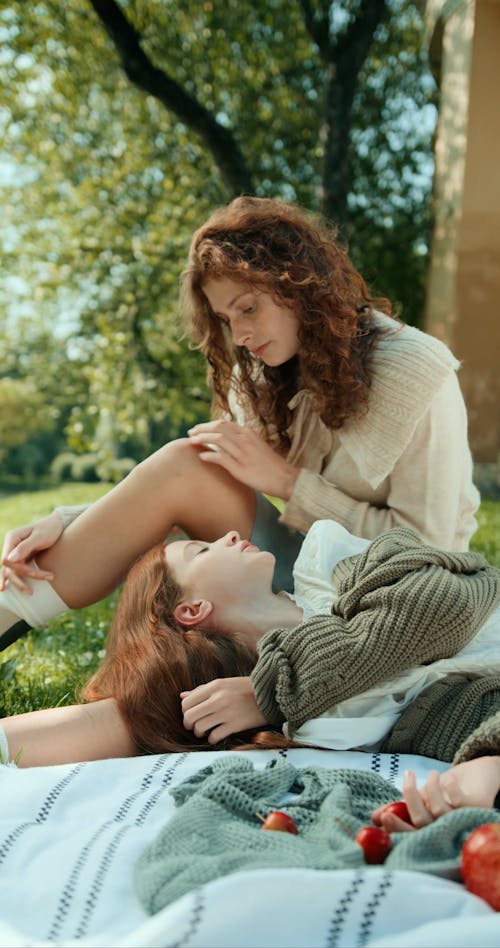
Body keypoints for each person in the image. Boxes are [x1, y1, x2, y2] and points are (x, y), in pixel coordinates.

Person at [0, 196, 479, 649]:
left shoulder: (414, 369)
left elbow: (431, 551)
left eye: (249, 307)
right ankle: (8, 609)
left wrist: (290, 484)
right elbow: (176, 492)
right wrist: (66, 522)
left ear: (300, 283)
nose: (242, 334)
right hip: (307, 568)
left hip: (396, 604)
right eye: (228, 319)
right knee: (192, 465)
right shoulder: (265, 372)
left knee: (190, 472)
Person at [2, 520, 499, 839]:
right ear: (192, 609)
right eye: (202, 550)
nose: (229, 536)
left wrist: (275, 691)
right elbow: (120, 721)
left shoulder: (329, 564)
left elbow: (447, 602)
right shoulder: (303, 721)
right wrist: (483, 769)